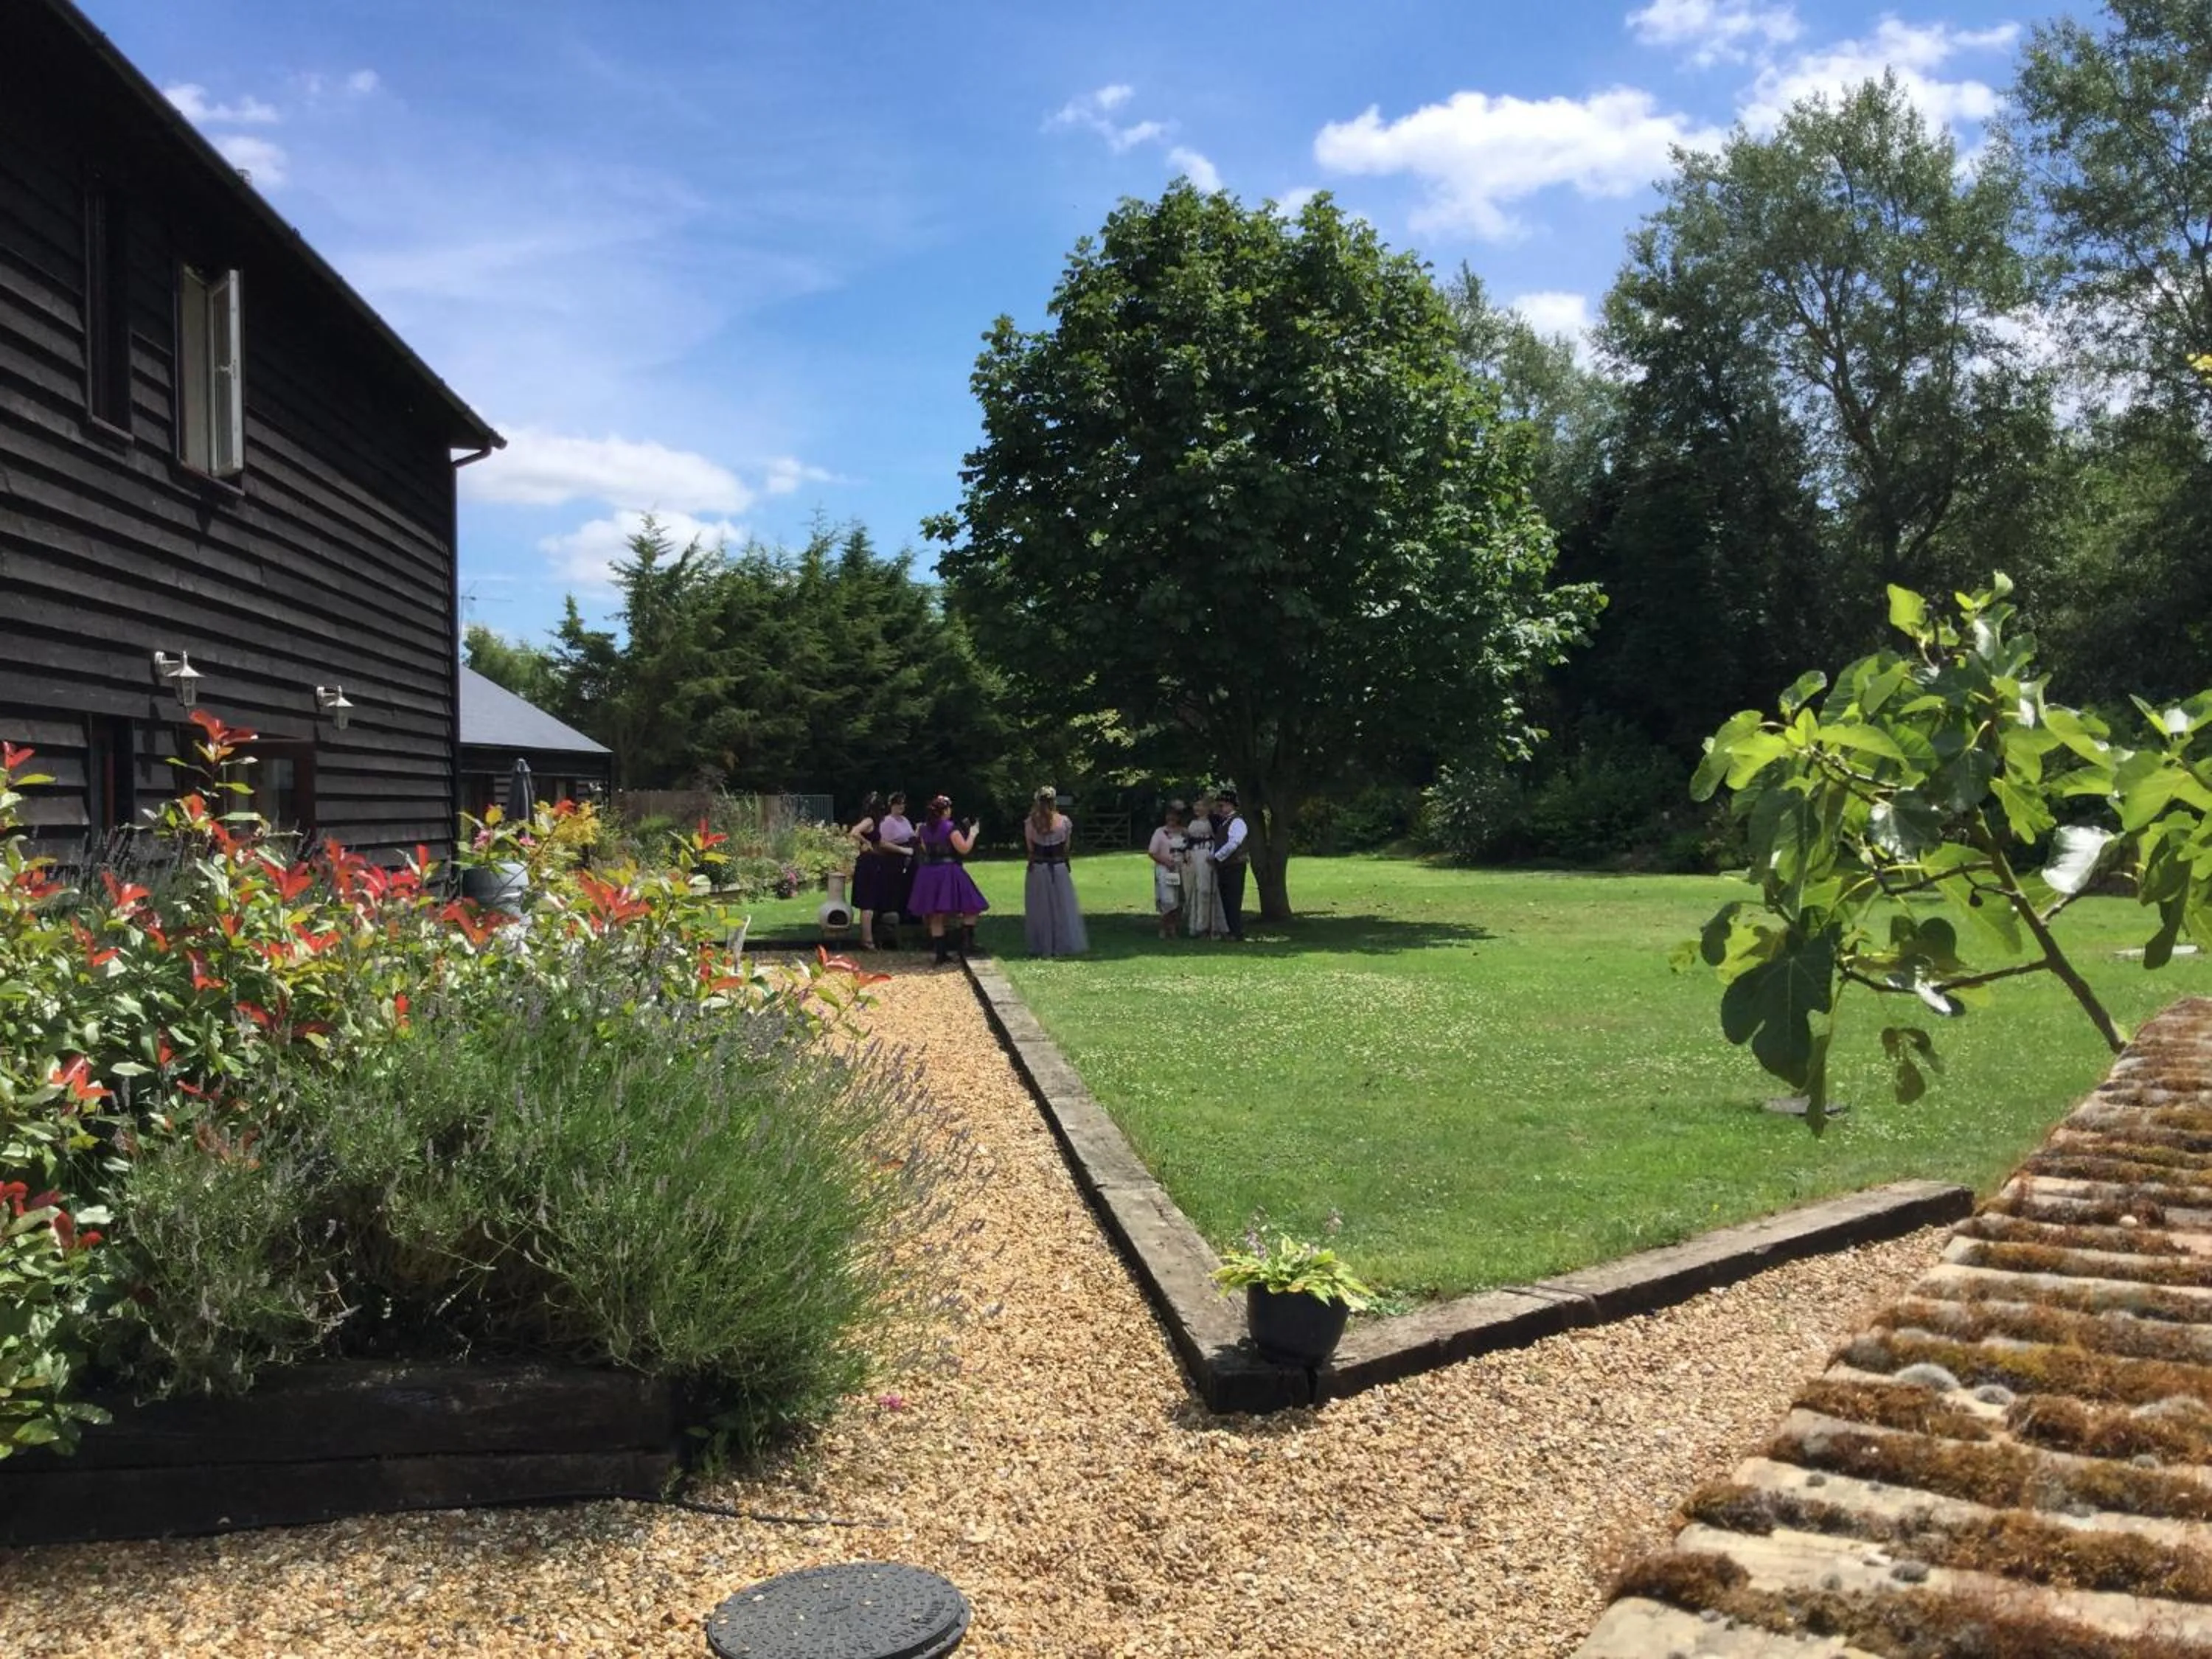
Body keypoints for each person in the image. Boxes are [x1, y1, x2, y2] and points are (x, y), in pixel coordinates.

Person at [909, 794, 987, 964]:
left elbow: (924, 848)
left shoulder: (923, 829)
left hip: (928, 872)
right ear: (944, 811)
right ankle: (967, 943)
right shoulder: (950, 828)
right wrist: (973, 833)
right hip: (948, 871)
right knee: (972, 905)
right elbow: (964, 849)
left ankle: (940, 954)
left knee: (936, 915)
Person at [1022, 786, 1088, 957]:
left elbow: (1030, 849)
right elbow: (1066, 848)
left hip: (1038, 867)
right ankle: (1062, 944)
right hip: (1059, 867)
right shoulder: (1064, 822)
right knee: (1062, 907)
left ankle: (1042, 945)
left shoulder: (1030, 823)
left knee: (1040, 909)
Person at [1182, 793, 1226, 939]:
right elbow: (1188, 839)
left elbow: (1219, 837)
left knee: (1206, 889)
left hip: (1206, 855)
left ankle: (1211, 926)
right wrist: (1187, 850)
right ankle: (1197, 925)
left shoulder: (1213, 821)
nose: (1197, 808)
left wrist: (1214, 855)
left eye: (1201, 805)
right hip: (1193, 857)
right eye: (1196, 805)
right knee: (1194, 889)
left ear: (1207, 808)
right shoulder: (1191, 821)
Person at [1211, 785, 1250, 942]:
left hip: (1234, 865)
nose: (1221, 808)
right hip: (1225, 866)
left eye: (1223, 805)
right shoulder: (1224, 823)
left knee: (1233, 899)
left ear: (1232, 805)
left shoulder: (1237, 822)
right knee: (1226, 899)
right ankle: (1229, 930)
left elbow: (1234, 843)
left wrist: (1217, 857)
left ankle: (1236, 931)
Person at [1147, 800, 1188, 940]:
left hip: (1182, 868)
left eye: (1175, 816)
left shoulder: (1185, 832)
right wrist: (1166, 862)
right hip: (1165, 869)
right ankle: (1164, 928)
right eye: (1169, 815)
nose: (1171, 819)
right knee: (1167, 899)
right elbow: (1152, 852)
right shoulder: (1160, 832)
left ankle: (1174, 928)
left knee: (1179, 900)